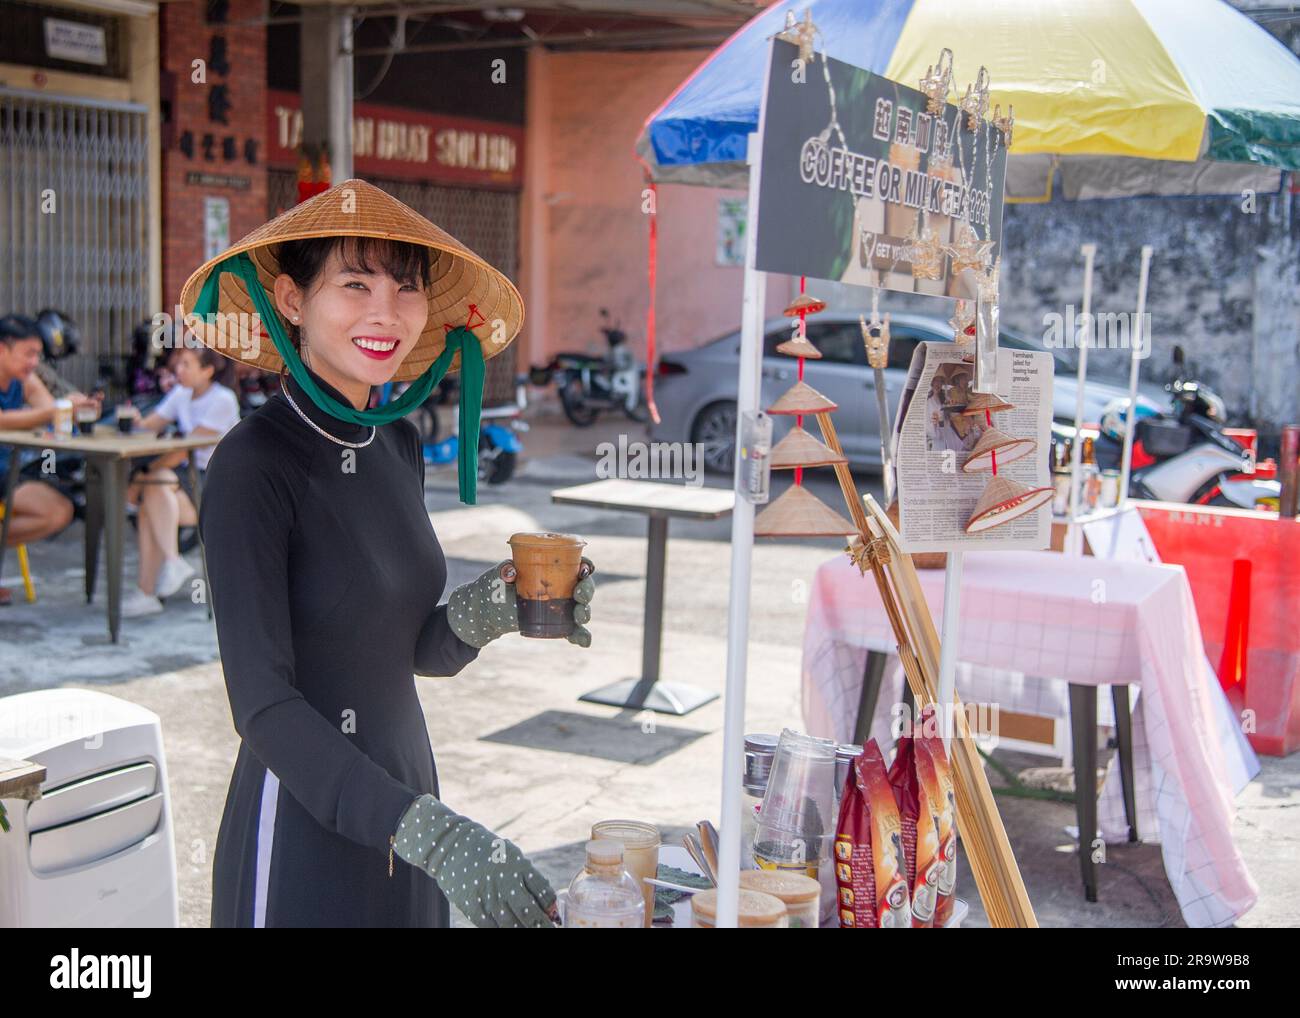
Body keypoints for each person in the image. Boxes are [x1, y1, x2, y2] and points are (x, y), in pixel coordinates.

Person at [183, 178, 596, 928]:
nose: (386, 313)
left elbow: (407, 649)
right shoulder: (253, 464)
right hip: (307, 818)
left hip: (408, 794)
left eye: (406, 289)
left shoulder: (396, 442)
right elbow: (264, 707)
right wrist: (428, 833)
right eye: (353, 283)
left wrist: (487, 609)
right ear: (289, 300)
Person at [120, 343, 241, 618]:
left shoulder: (222, 400)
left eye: (187, 364)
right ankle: (169, 567)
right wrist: (136, 420)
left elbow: (184, 450)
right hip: (184, 479)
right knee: (156, 490)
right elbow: (152, 424)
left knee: (154, 486)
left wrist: (137, 482)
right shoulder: (181, 393)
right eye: (178, 363)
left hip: (217, 483)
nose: (178, 369)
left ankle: (148, 591)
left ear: (207, 370)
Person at [0, 313, 103, 606]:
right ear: (2, 349)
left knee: (59, 511)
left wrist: (79, 408)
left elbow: (49, 410)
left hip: (11, 469)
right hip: (8, 469)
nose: (34, 362)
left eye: (37, 354)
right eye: (28, 353)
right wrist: (54, 411)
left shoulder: (25, 379)